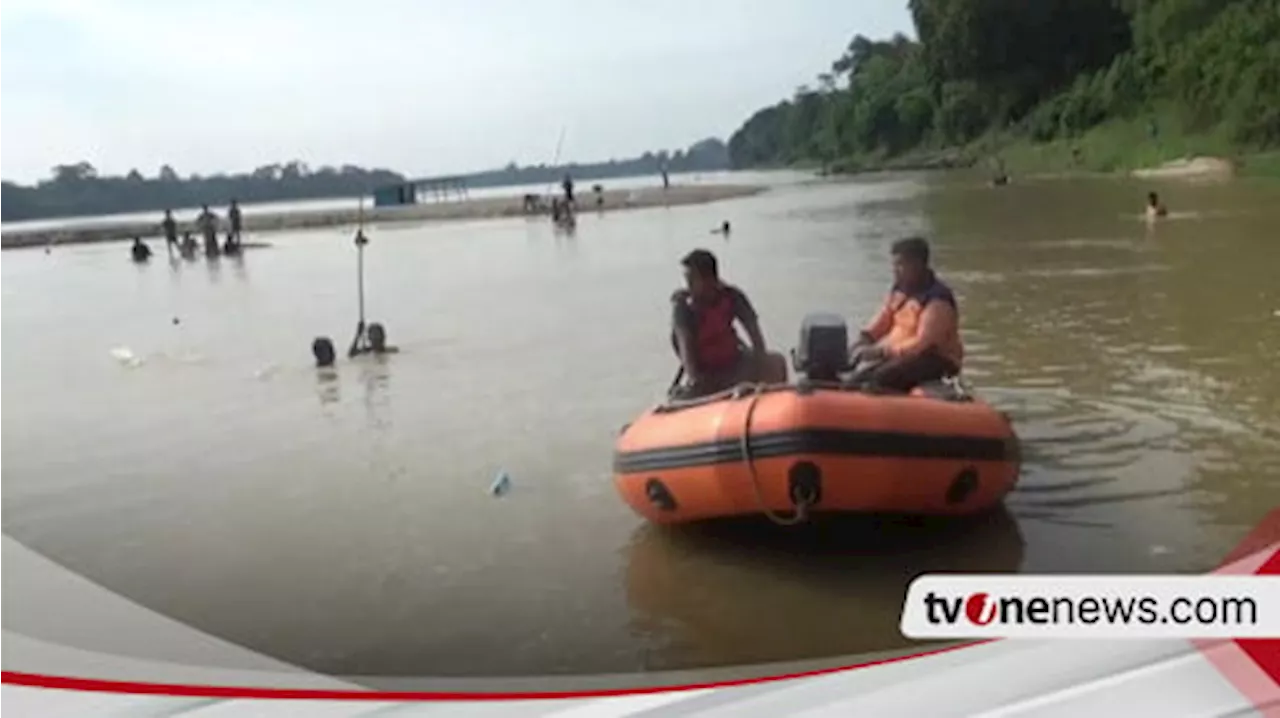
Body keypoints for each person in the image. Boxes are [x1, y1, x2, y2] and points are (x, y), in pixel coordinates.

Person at [850, 237, 963, 393]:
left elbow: (923, 344)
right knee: (856, 380)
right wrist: (864, 339)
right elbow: (883, 320)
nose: (895, 270)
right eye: (894, 264)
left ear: (918, 265)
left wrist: (882, 351)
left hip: (935, 360)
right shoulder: (900, 291)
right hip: (901, 354)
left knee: (882, 377)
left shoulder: (937, 300)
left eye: (901, 264)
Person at [669, 249, 779, 398]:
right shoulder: (684, 309)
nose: (687, 286)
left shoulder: (733, 297)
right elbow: (686, 349)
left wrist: (762, 368)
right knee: (684, 397)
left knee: (776, 363)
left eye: (692, 280)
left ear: (710, 279)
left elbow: (756, 338)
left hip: (735, 365)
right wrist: (695, 380)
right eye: (686, 280)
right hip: (705, 375)